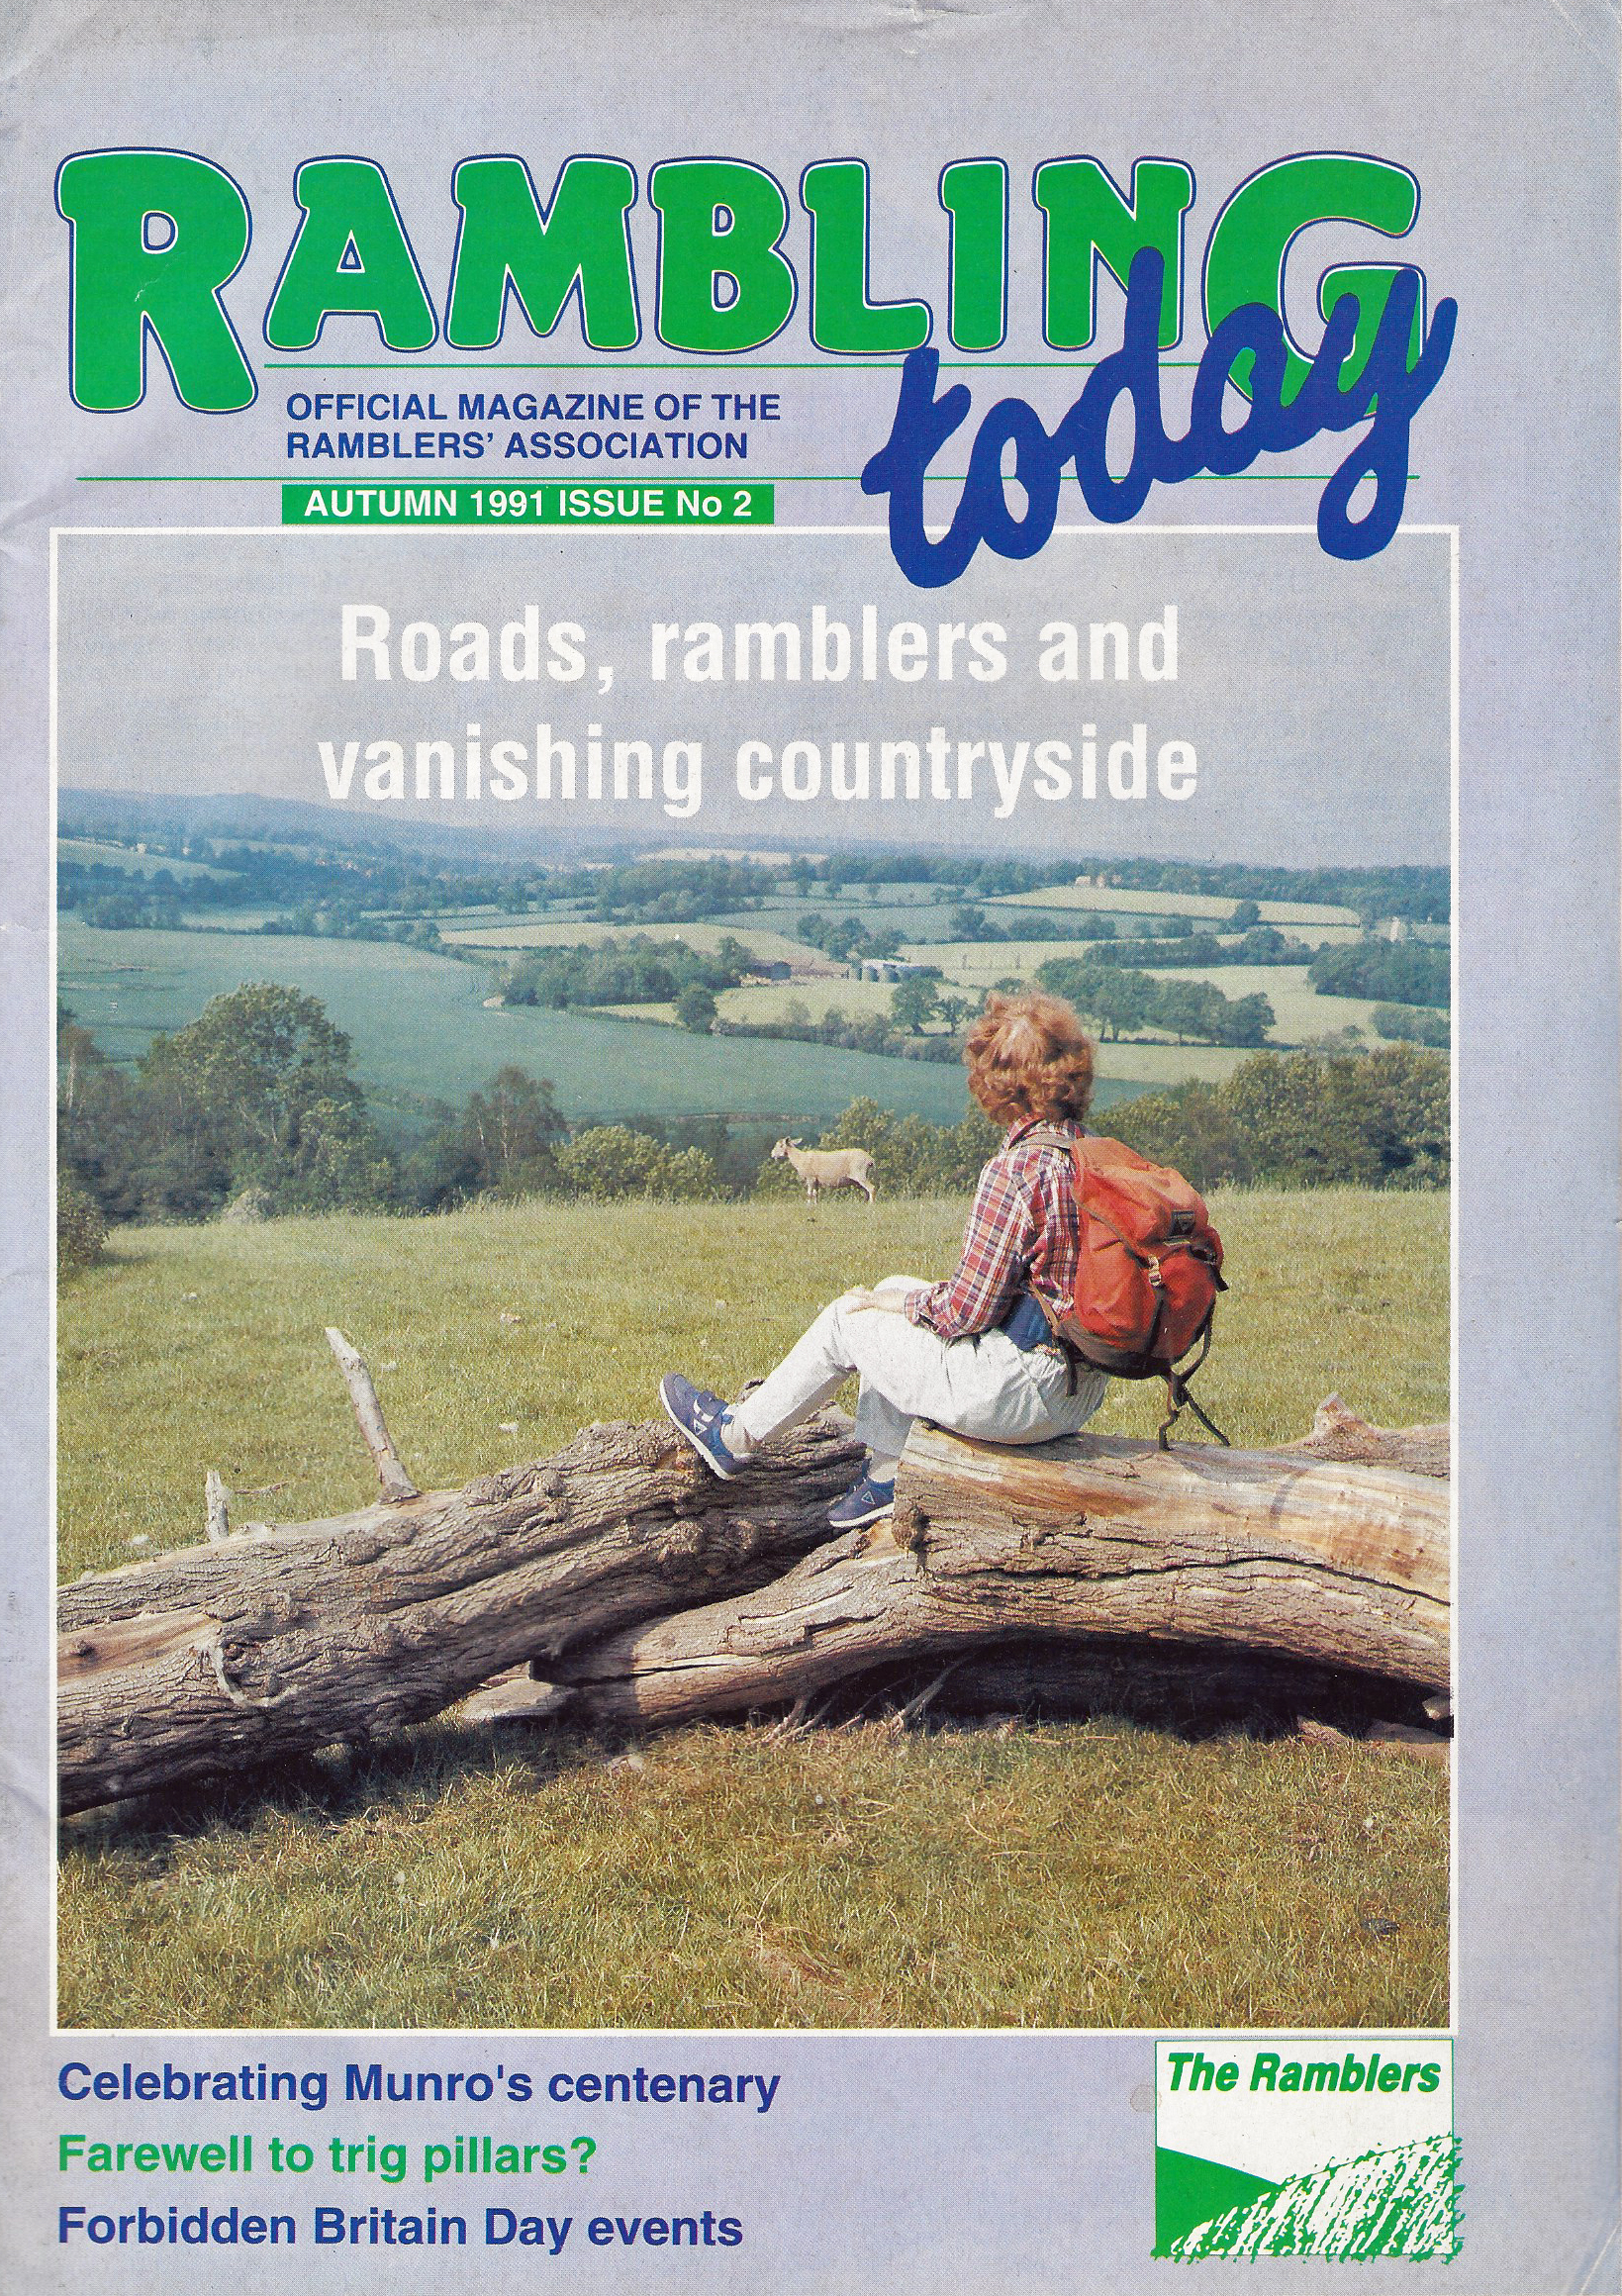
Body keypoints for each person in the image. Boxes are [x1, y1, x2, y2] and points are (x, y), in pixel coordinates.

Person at [659, 992, 1109, 1527]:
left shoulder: (1016, 1171)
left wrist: (905, 1306)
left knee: (849, 1316)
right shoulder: (1091, 1155)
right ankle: (886, 1473)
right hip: (1078, 1390)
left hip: (1017, 1395)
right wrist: (903, 1298)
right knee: (892, 1289)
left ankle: (733, 1439)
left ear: (1001, 1085)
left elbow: (966, 1312)